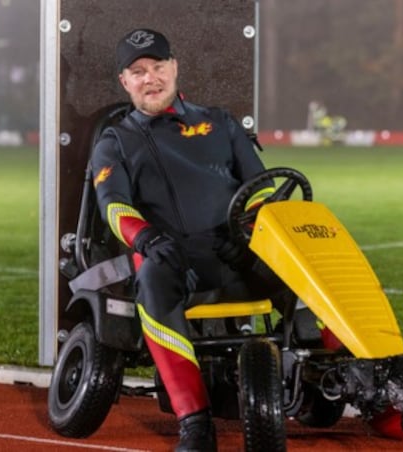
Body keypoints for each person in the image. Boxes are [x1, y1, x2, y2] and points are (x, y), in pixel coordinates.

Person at [90, 28, 274, 452]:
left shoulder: (221, 122)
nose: (150, 78)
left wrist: (247, 235)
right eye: (138, 71)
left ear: (174, 68)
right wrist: (149, 239)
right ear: (124, 81)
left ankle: (356, 385)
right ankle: (195, 423)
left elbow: (262, 189)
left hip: (238, 254)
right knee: (152, 276)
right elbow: (112, 206)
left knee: (311, 253)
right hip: (174, 260)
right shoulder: (115, 141)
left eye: (158, 67)